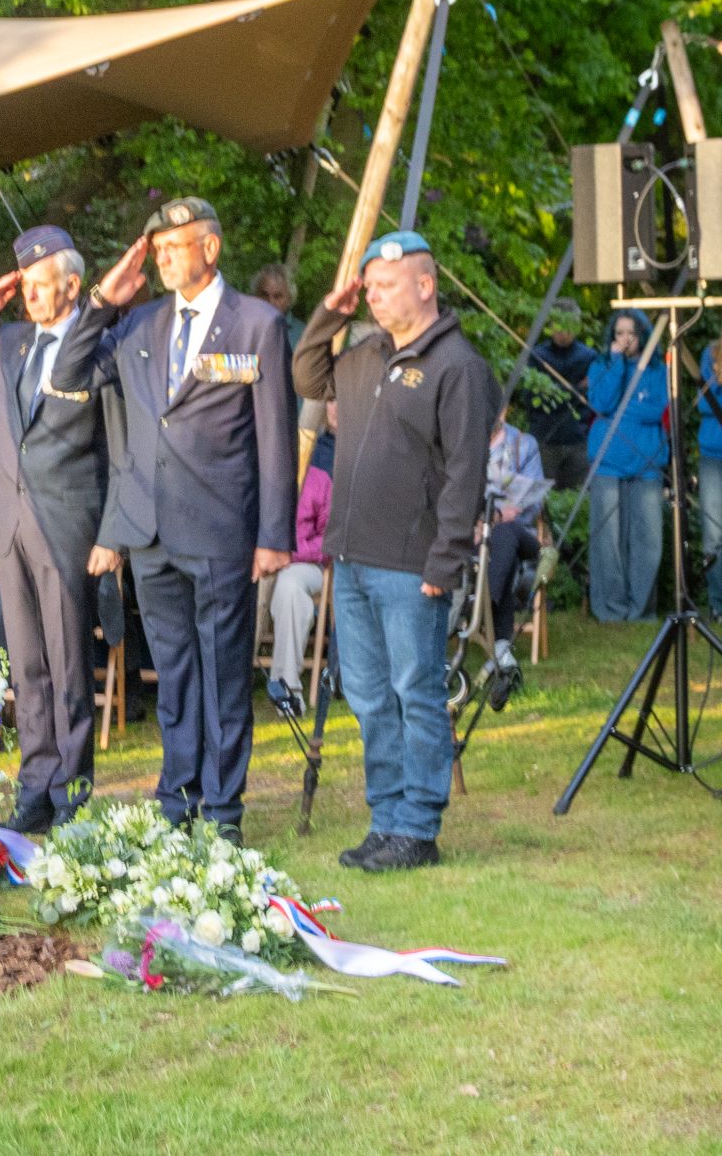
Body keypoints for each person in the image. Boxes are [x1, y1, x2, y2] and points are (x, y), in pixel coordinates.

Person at [63, 199, 296, 842]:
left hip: (222, 528)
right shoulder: (138, 325)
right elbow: (70, 368)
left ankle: (222, 811)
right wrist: (103, 302)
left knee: (223, 675)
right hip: (150, 530)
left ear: (210, 249)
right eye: (157, 250)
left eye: (175, 247)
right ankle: (178, 798)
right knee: (174, 672)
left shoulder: (256, 324)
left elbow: (275, 437)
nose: (163, 258)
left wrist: (275, 535)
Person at [295, 231, 498, 873]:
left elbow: (467, 471)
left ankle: (418, 827)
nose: (376, 298)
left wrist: (448, 558)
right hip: (352, 559)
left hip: (413, 565)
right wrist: (335, 310)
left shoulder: (457, 366)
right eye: (371, 289)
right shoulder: (361, 355)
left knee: (416, 692)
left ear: (425, 286)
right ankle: (386, 820)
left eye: (385, 287)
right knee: (368, 695)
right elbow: (305, 372)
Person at [586, 309, 666, 622]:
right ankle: (611, 610)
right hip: (608, 462)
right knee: (608, 542)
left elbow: (655, 408)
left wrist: (624, 410)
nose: (625, 339)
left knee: (648, 540)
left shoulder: (657, 369)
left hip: (647, 463)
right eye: (619, 333)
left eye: (631, 333)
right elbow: (602, 403)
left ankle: (641, 611)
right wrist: (618, 366)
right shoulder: (602, 365)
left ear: (643, 336)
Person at [268, 410, 335, 711]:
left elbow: (329, 539)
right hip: (264, 561)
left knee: (290, 585)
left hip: (308, 565)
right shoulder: (266, 477)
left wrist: (291, 553)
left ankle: (288, 690)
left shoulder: (320, 479)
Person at [484, 418, 548, 667]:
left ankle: (485, 608)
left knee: (505, 534)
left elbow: (533, 504)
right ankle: (501, 647)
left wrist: (505, 513)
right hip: (483, 535)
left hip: (522, 534)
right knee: (501, 548)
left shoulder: (523, 444)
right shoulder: (466, 440)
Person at [523, 298, 594, 491]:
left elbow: (594, 399)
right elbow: (533, 400)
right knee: (539, 500)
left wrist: (556, 392)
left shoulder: (588, 357)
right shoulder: (537, 356)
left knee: (580, 498)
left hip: (577, 439)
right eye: (559, 325)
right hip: (545, 439)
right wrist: (577, 389)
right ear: (551, 325)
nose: (563, 332)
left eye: (569, 326)